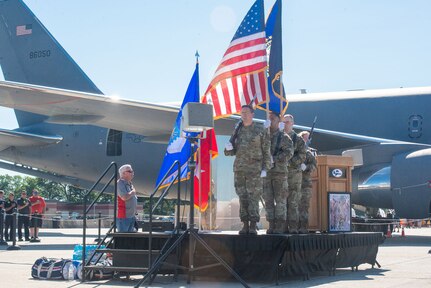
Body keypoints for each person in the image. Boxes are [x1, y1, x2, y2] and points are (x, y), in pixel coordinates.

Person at [224, 105, 271, 235]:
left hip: (254, 170)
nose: (243, 115)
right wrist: (228, 148)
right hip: (239, 169)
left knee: (253, 197)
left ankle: (253, 224)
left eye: (246, 112)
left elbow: (266, 150)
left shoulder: (260, 129)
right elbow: (231, 151)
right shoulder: (237, 130)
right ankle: (244, 224)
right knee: (242, 197)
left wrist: (265, 168)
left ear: (252, 114)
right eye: (241, 113)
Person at [262, 111, 293, 234]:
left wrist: (275, 158)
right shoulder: (264, 136)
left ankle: (280, 226)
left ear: (278, 121)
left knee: (280, 201)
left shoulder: (284, 137)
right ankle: (271, 224)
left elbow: (289, 153)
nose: (271, 121)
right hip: (267, 173)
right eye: (269, 119)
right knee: (268, 200)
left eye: (273, 119)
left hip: (279, 173)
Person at [283, 114, 306, 233]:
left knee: (293, 202)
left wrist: (289, 162)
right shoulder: (279, 137)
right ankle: (282, 226)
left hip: (294, 175)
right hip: (281, 174)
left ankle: (293, 227)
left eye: (287, 122)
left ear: (292, 123)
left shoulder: (298, 139)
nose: (285, 124)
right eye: (284, 122)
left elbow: (302, 155)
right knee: (282, 201)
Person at [298, 131, 317, 234]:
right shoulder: (295, 150)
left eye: (308, 139)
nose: (307, 141)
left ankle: (303, 227)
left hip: (305, 183)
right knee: (294, 205)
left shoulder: (309, 152)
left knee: (304, 206)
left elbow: (314, 166)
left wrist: (306, 167)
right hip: (294, 182)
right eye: (305, 138)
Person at [117, 164, 137, 232]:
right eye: (130, 171)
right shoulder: (120, 183)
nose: (132, 173)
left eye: (132, 171)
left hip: (131, 216)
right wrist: (132, 192)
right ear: (123, 173)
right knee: (123, 239)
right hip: (124, 217)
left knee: (129, 239)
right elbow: (124, 197)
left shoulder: (129, 184)